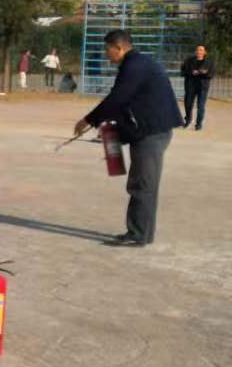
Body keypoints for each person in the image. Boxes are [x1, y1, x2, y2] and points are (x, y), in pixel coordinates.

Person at [74, 29, 181, 246]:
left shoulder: (135, 65)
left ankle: (138, 235)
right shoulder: (136, 63)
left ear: (120, 47)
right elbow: (123, 102)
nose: (106, 54)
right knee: (142, 183)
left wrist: (88, 120)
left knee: (142, 184)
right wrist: (107, 129)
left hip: (151, 133)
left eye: (108, 49)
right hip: (147, 130)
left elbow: (117, 98)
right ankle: (141, 233)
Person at [181, 45, 214, 130]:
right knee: (188, 104)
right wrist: (191, 72)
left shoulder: (209, 62)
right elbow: (182, 72)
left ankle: (198, 124)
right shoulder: (188, 61)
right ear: (195, 52)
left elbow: (211, 74)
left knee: (201, 106)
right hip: (190, 85)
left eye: (201, 50)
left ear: (205, 52)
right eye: (198, 50)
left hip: (203, 87)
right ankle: (188, 120)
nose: (199, 51)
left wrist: (204, 73)